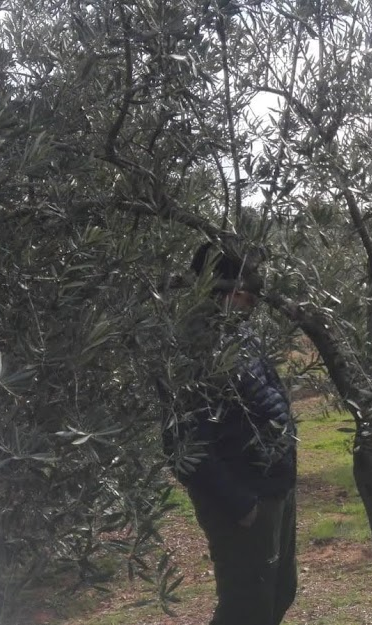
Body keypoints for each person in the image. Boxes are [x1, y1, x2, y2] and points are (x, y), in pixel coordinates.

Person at [163, 243, 298, 625]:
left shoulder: (237, 334)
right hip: (244, 503)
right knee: (246, 610)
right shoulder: (193, 348)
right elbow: (180, 445)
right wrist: (242, 505)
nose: (252, 303)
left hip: (274, 492)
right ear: (224, 292)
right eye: (246, 295)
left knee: (280, 593)